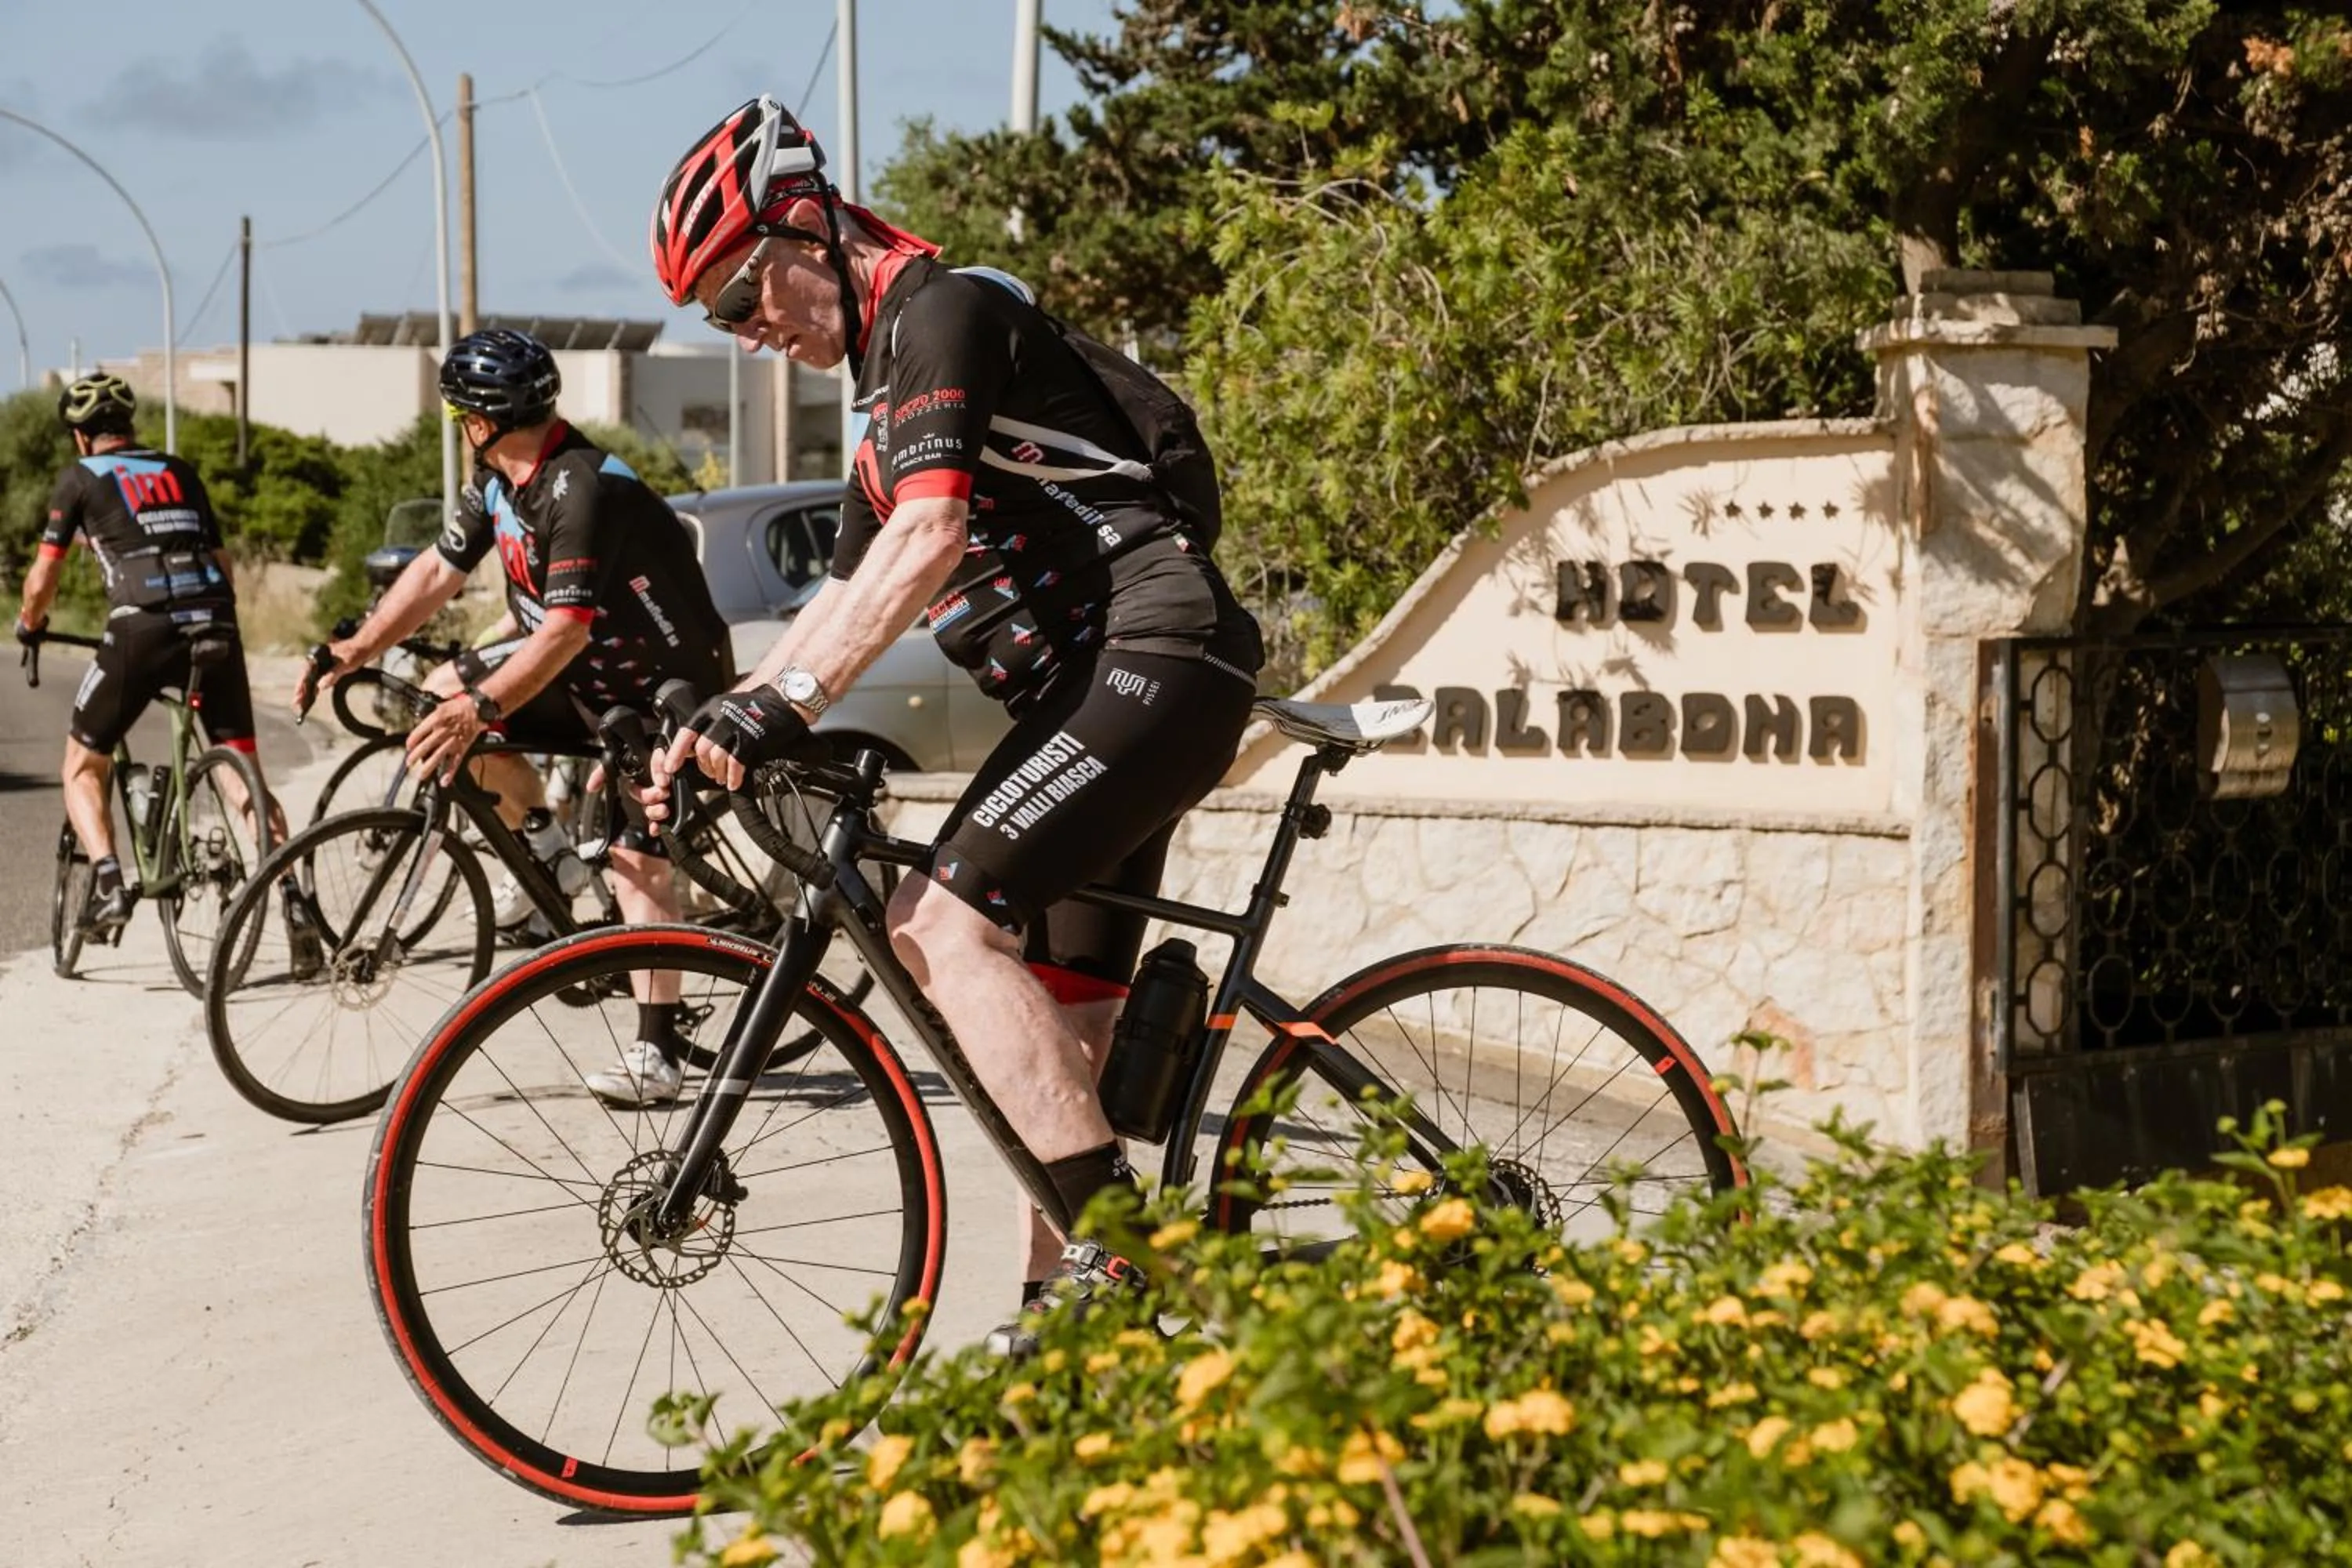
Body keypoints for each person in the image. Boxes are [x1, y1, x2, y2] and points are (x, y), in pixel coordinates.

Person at [646, 96, 1265, 1348]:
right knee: (1064, 1020)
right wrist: (735, 711)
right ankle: (1070, 1328)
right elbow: (844, 594)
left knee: (943, 926)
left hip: (1154, 650)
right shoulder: (884, 412)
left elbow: (929, 545)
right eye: (721, 320)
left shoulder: (942, 314)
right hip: (1093, 686)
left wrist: (787, 705)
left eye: (739, 297)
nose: (748, 333)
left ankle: (1129, 1257)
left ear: (807, 231)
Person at [299, 328, 735, 1105]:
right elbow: (438, 566)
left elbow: (566, 628)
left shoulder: (581, 486)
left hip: (656, 680)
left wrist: (485, 703)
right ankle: (552, 849)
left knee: (639, 861)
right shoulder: (497, 477)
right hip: (581, 670)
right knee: (438, 699)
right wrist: (358, 647)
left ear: (477, 419)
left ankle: (659, 1052)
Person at [13, 373, 286, 935]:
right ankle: (294, 899)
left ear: (81, 437)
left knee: (83, 764)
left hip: (145, 625)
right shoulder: (179, 471)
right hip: (216, 619)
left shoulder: (80, 477)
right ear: (131, 428)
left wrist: (28, 624)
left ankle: (111, 883)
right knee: (245, 775)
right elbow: (224, 563)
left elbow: (44, 576)